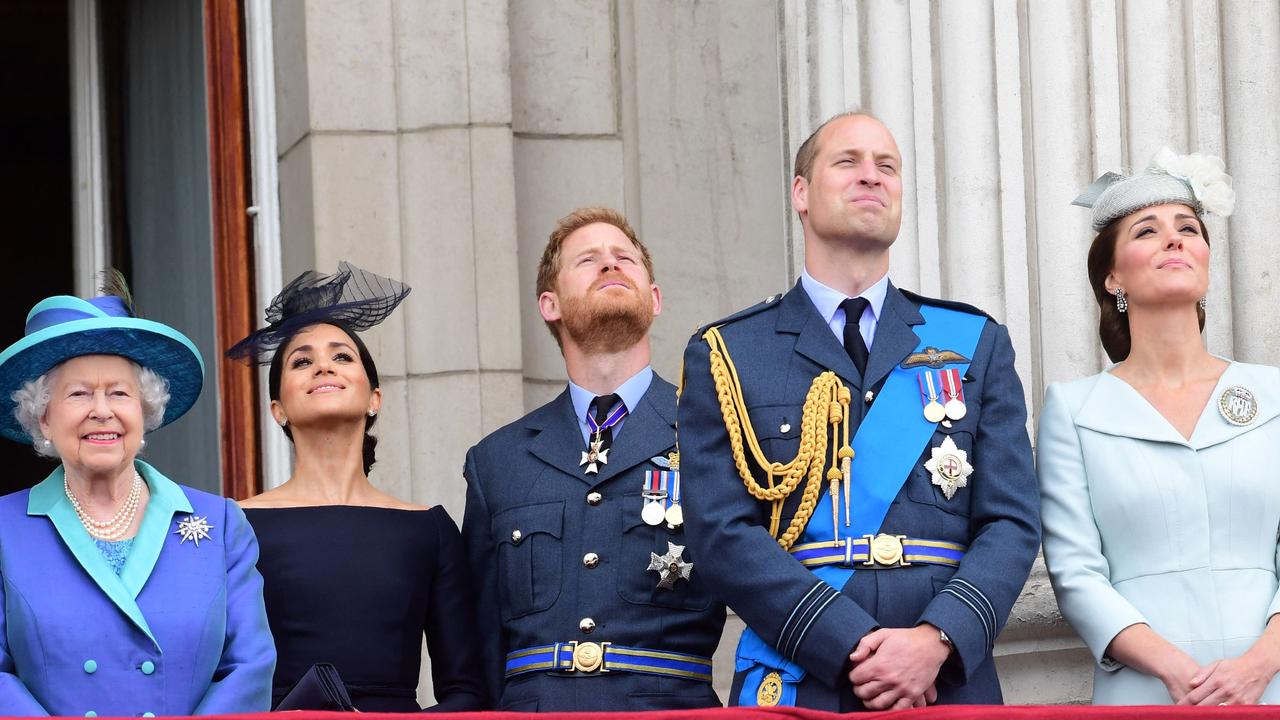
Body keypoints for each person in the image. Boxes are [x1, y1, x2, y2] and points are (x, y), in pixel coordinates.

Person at [676, 112, 1040, 710]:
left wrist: (935, 639)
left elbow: (1012, 520)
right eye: (848, 162)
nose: (871, 176)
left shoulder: (975, 340)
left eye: (887, 166)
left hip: (942, 679)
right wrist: (853, 643)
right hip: (805, 671)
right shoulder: (729, 352)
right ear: (801, 192)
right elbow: (720, 533)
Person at [462, 207, 727, 711]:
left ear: (654, 298)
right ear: (550, 303)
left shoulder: (713, 434)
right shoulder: (497, 461)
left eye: (624, 258)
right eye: (588, 260)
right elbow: (480, 642)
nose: (610, 265)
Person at [1040, 149, 1280, 705]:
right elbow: (1076, 573)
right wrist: (1179, 672)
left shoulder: (1274, 395)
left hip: (1270, 686)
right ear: (1113, 277)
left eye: (1189, 228)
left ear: (1205, 259)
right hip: (1147, 693)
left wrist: (1257, 666)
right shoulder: (1074, 410)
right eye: (1147, 230)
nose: (1174, 240)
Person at [0, 278, 274, 716]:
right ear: (43, 419)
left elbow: (250, 667)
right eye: (79, 394)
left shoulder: (219, 522)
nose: (102, 410)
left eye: (119, 393)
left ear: (146, 411)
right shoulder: (4, 528)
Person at [227, 262, 487, 712]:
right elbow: (216, 673)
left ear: (374, 399)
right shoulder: (235, 524)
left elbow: (466, 690)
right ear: (278, 409)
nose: (323, 365)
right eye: (302, 361)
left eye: (342, 356)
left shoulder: (430, 530)